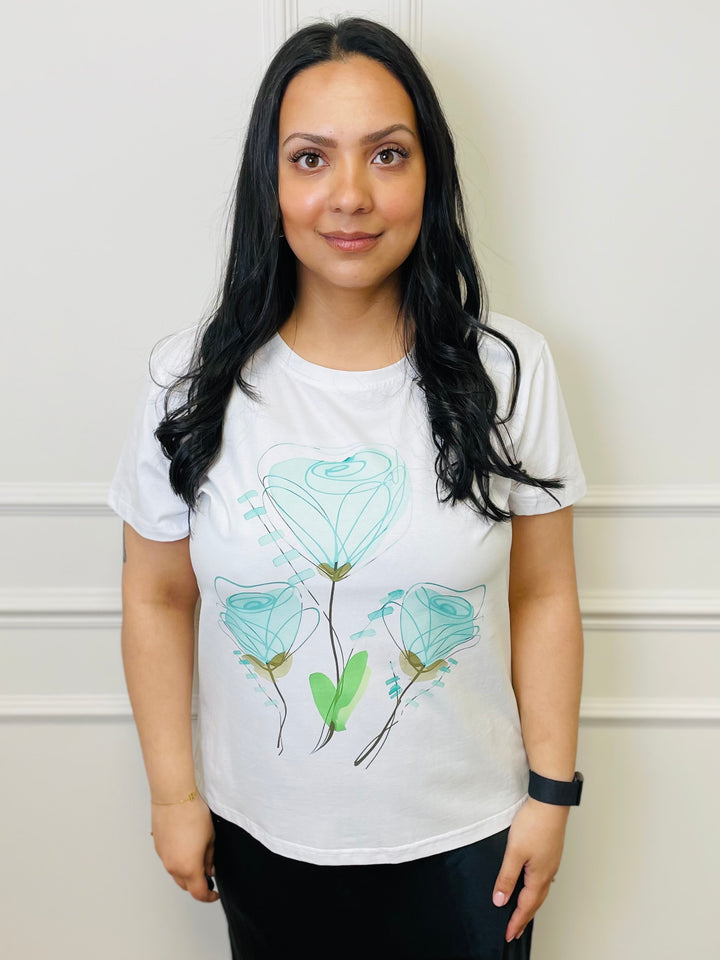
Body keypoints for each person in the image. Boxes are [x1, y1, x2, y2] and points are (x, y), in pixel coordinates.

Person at [109, 17, 586, 960]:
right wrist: (171, 794)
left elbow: (543, 592)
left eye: (388, 154)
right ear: (271, 182)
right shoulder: (188, 380)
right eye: (311, 158)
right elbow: (156, 595)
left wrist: (551, 796)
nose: (352, 195)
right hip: (263, 844)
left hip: (472, 849)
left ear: (430, 174)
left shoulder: (508, 369)